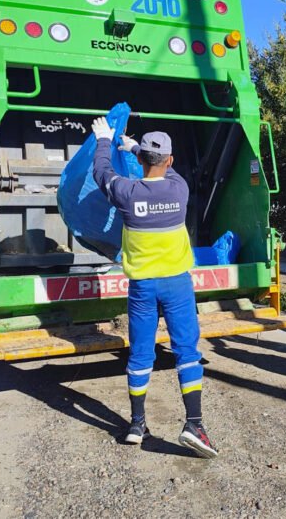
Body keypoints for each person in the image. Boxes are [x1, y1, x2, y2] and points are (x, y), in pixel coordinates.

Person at [91, 116, 218, 458]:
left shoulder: (127, 193)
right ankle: (194, 424)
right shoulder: (179, 189)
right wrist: (133, 146)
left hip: (143, 287)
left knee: (141, 354)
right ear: (170, 161)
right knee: (187, 352)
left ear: (142, 161)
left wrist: (104, 140)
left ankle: (136, 424)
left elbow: (101, 173)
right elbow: (164, 168)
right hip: (177, 285)